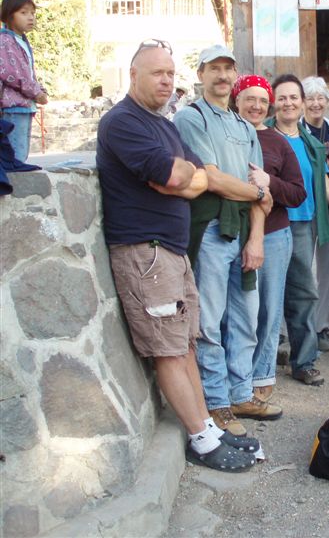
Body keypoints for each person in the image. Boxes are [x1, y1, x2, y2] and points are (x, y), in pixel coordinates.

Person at [97, 40, 259, 472]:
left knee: (184, 343)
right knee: (168, 349)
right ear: (133, 76)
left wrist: (185, 176)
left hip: (170, 251)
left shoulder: (162, 124)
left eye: (170, 73)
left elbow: (197, 178)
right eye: (156, 73)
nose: (166, 81)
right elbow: (173, 175)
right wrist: (183, 176)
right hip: (144, 253)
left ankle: (206, 424)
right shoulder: (123, 123)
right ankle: (202, 440)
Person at [174, 45, 275, 436]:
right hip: (213, 230)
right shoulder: (191, 118)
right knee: (211, 321)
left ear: (235, 77)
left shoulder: (245, 128)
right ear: (201, 74)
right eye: (213, 68)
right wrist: (258, 195)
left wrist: (257, 240)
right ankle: (216, 402)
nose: (221, 75)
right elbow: (212, 179)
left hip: (243, 233)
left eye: (227, 69)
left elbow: (259, 188)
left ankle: (241, 393)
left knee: (246, 318)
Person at [231, 74, 307, 406]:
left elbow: (297, 194)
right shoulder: (226, 136)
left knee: (268, 308)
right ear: (237, 100)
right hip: (230, 233)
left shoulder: (279, 143)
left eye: (263, 100)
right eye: (250, 99)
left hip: (274, 237)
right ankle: (236, 376)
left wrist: (269, 182)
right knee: (234, 311)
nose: (257, 106)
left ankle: (262, 373)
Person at [268, 74, 329, 386]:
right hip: (274, 223)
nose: (288, 103)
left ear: (301, 103)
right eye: (282, 97)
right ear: (275, 102)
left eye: (293, 98)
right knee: (271, 293)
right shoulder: (264, 136)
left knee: (302, 293)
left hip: (306, 222)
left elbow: (324, 182)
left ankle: (303, 361)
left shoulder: (311, 142)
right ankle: (269, 358)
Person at [300, 76, 329, 352]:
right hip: (302, 208)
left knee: (328, 268)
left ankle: (321, 324)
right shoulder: (295, 131)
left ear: (327, 100)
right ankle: (296, 326)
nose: (315, 103)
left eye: (320, 98)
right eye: (310, 98)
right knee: (300, 268)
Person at [0, 0, 48, 162]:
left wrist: (41, 90)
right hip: (13, 106)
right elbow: (12, 74)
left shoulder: (21, 40)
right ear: (8, 15)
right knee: (15, 158)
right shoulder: (5, 40)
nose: (30, 18)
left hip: (24, 106)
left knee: (21, 154)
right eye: (24, 12)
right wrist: (36, 93)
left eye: (32, 13)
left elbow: (28, 73)